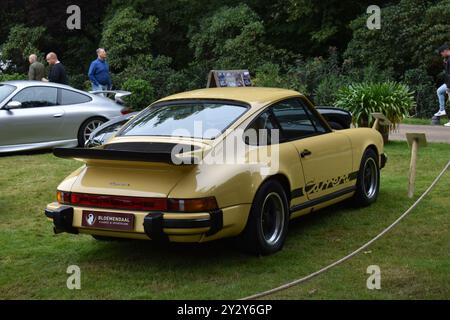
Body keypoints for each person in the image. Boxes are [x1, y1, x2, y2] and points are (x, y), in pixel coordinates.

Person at [435, 44, 450, 127]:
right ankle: (442, 109)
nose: (441, 55)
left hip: (449, 83)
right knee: (439, 91)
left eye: (441, 53)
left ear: (445, 51)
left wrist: (449, 86)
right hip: (448, 82)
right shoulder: (447, 59)